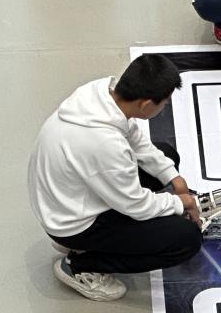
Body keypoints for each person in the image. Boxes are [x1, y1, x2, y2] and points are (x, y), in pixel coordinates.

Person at [28, 53, 203, 302]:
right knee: (186, 240)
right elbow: (136, 206)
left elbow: (135, 139)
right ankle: (81, 265)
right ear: (146, 105)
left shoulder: (99, 96)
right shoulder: (104, 144)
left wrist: (175, 179)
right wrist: (179, 203)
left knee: (165, 156)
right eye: (164, 103)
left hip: (65, 199)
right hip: (72, 223)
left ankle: (89, 245)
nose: (164, 108)